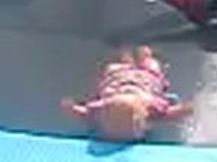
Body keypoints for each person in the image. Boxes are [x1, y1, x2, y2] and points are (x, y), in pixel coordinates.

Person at [61, 46, 191, 141]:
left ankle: (127, 58)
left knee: (115, 67)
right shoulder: (153, 111)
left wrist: (71, 107)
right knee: (152, 65)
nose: (128, 90)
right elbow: (175, 112)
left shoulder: (98, 110)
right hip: (146, 78)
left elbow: (83, 112)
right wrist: (189, 108)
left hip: (118, 78)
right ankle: (145, 55)